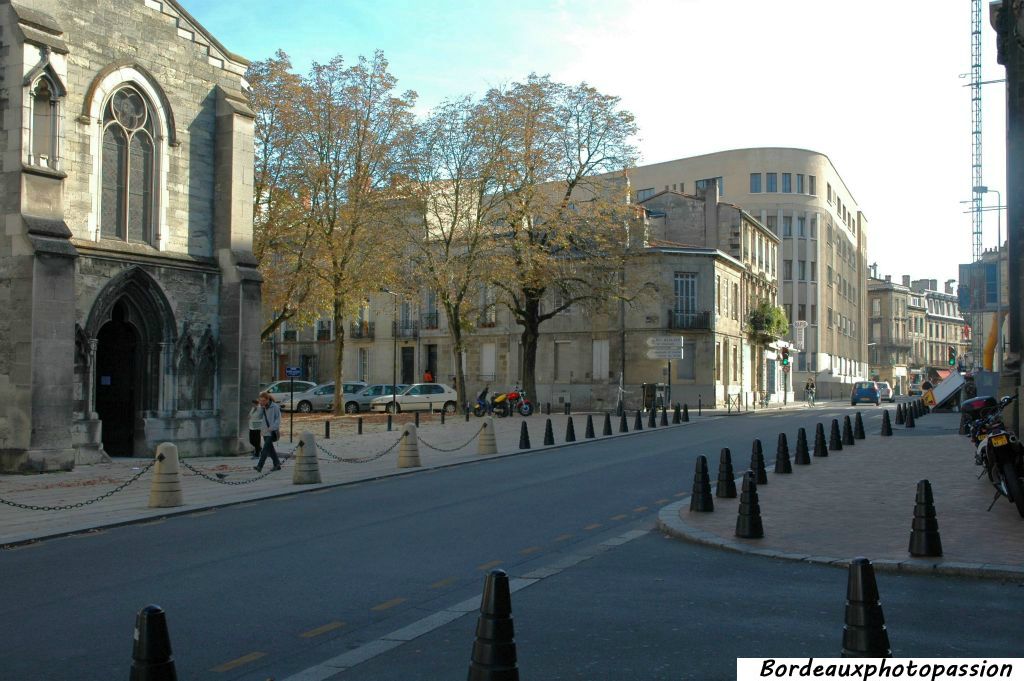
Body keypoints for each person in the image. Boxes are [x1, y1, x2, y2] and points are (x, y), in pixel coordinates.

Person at [255, 391, 282, 472]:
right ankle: (277, 464)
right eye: (260, 400)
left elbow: (278, 419)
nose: (262, 402)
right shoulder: (263, 407)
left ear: (267, 399)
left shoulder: (275, 407)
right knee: (271, 449)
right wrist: (260, 407)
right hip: (264, 431)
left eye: (263, 400)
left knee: (265, 449)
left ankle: (259, 466)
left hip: (271, 431)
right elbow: (258, 417)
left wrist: (272, 427)